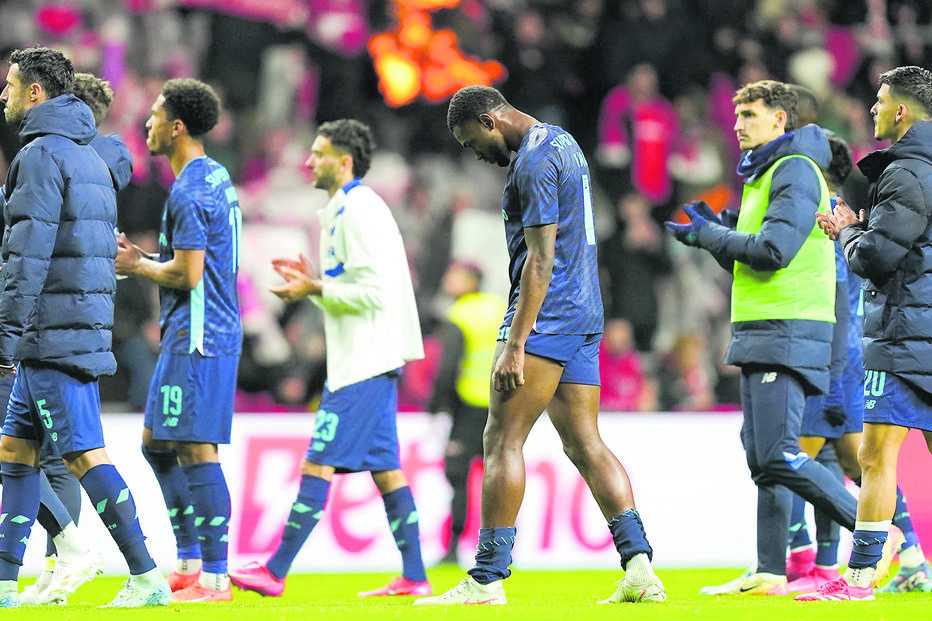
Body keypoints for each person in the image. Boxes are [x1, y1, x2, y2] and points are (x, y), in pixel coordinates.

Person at [417, 85, 665, 606]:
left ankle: (486, 578)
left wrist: (516, 342)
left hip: (545, 318)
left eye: (470, 142)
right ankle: (640, 565)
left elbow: (540, 258)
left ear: (489, 120)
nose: (476, 154)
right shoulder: (564, 143)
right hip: (583, 314)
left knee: (501, 440)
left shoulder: (530, 163)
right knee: (585, 443)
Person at [666, 79, 859, 595]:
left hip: (789, 324)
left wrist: (712, 236)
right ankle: (771, 569)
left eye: (749, 113)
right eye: (736, 115)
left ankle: (872, 535)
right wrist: (711, 239)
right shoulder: (765, 174)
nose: (737, 124)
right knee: (762, 454)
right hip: (763, 323)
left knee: (777, 451)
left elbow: (775, 251)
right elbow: (752, 259)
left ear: (780, 119)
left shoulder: (795, 169)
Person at [228, 119, 430, 598]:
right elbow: (357, 291)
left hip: (364, 360)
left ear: (343, 162)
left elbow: (374, 292)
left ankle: (275, 571)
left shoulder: (358, 211)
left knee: (318, 462)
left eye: (318, 154)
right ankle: (416, 576)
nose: (308, 161)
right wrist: (314, 286)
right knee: (387, 471)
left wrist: (315, 286)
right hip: (368, 356)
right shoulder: (343, 209)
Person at [0, 46, 169, 609]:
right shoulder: (88, 155)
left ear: (35, 93)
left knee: (84, 455)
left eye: (10, 84)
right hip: (66, 325)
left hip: (50, 331)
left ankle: (145, 575)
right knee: (14, 452)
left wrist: (6, 333)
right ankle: (8, 580)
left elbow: (29, 251)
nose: (3, 94)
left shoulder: (42, 154)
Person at [797, 66, 932, 601]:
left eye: (879, 102)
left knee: (876, 456)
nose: (872, 110)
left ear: (902, 110)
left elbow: (877, 255)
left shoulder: (904, 173)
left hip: (904, 333)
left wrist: (848, 229)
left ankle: (857, 581)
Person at [115, 78, 242, 603]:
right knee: (157, 444)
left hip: (199, 336)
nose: (146, 124)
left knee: (194, 448)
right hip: (196, 332)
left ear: (177, 126)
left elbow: (189, 274)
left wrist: (138, 264)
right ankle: (190, 561)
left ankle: (214, 576)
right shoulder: (214, 177)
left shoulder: (189, 191)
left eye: (153, 116)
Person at [15, 70, 136, 607]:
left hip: (45, 325)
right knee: (44, 455)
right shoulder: (103, 166)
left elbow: (30, 244)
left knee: (72, 455)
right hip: (81, 321)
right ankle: (56, 563)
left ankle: (87, 554)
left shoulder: (51, 160)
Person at [426, 260, 505, 565]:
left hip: (468, 405)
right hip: (502, 405)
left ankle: (452, 548)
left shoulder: (459, 314)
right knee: (499, 476)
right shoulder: (499, 307)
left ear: (471, 280)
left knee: (458, 476)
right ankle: (502, 549)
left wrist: (436, 404)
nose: (449, 279)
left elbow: (449, 366)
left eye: (454, 275)